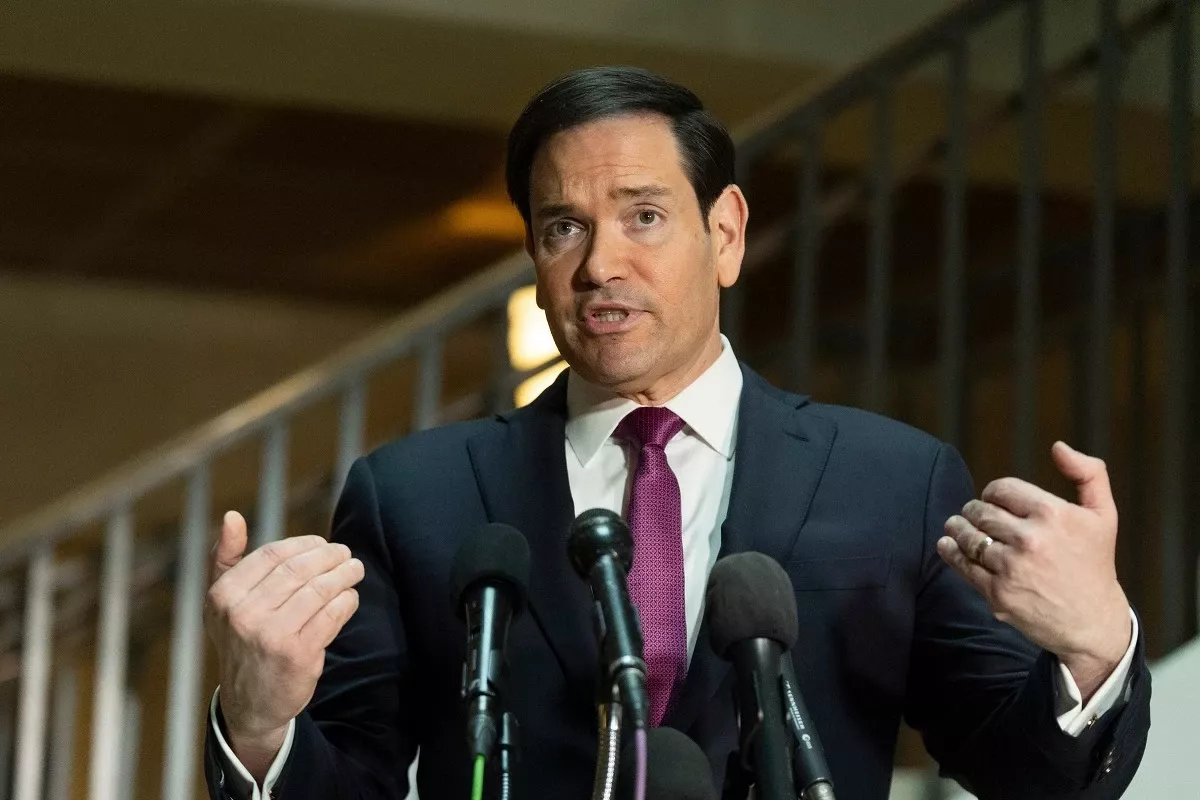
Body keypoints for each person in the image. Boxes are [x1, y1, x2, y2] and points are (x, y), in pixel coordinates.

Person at [203, 67, 1149, 800]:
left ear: (725, 234)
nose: (599, 265)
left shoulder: (890, 480)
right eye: (563, 228)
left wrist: (1095, 644)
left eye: (644, 217)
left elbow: (1030, 776)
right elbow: (349, 778)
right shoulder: (416, 496)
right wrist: (258, 724)